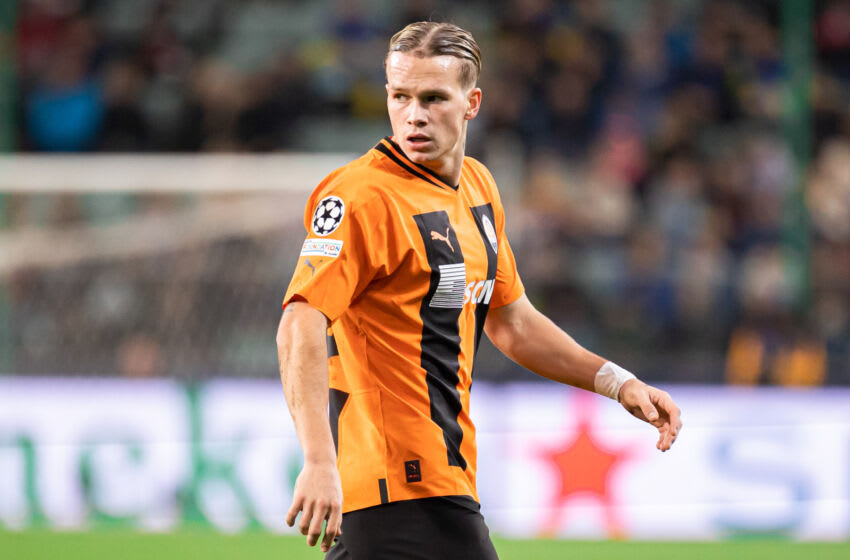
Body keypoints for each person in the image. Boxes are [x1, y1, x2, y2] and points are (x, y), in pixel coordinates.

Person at [276, 21, 682, 559]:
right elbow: (300, 321)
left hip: (443, 474)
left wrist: (618, 382)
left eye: (433, 98)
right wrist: (318, 460)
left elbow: (512, 321)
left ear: (472, 103)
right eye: (400, 97)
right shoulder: (361, 197)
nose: (414, 114)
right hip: (399, 478)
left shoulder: (478, 188)